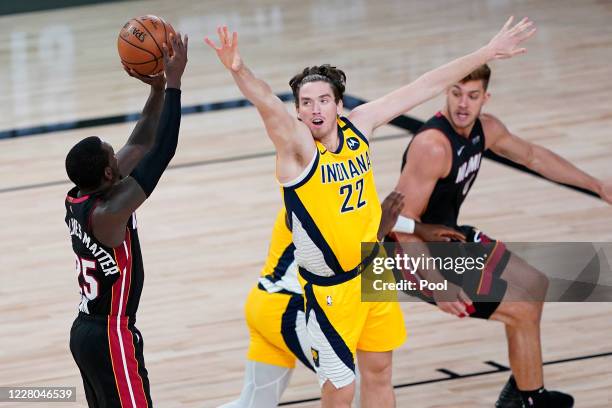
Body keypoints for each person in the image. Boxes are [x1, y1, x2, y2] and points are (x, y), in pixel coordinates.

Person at [205, 17, 535, 407]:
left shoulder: (359, 126)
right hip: (330, 291)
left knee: (379, 371)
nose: (315, 109)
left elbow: (423, 86)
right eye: (306, 103)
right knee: (342, 389)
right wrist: (239, 70)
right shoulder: (297, 153)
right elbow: (266, 103)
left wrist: (486, 51)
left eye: (323, 100)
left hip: (373, 268)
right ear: (297, 112)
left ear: (339, 105)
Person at [392, 63, 612, 408]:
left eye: (473, 96)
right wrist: (437, 283)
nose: (464, 104)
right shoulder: (432, 146)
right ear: (445, 93)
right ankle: (531, 400)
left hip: (450, 240)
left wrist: (597, 185)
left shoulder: (487, 129)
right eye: (456, 93)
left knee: (534, 283)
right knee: (521, 308)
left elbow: (534, 157)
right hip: (412, 255)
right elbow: (400, 223)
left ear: (485, 98)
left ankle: (521, 390)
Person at [65, 33, 188, 407]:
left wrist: (157, 89)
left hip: (86, 331)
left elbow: (139, 144)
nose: (117, 154)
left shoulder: (81, 196)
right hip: (109, 332)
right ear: (107, 174)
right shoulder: (109, 212)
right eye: (110, 156)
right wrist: (177, 84)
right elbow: (161, 150)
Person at [221, 192, 407, 408]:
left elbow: (371, 215)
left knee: (253, 404)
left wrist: (417, 229)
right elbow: (345, 250)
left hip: (268, 305)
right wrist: (381, 231)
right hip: (288, 307)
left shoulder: (340, 199)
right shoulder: (311, 201)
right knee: (351, 383)